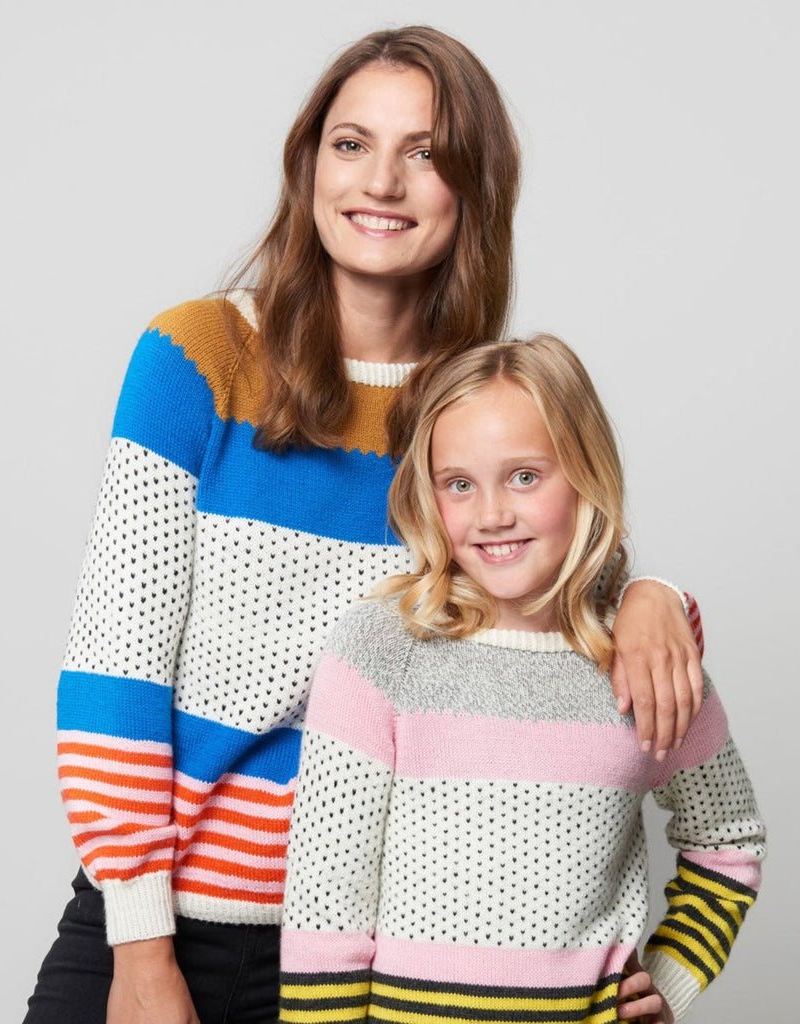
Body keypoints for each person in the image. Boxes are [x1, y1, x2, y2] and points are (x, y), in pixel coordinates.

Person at [25, 25, 705, 1024]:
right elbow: (113, 673)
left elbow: (568, 590)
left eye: (423, 153)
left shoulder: (475, 406)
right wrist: (141, 947)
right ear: (309, 166)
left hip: (378, 961)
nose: (380, 181)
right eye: (352, 144)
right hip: (161, 923)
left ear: (473, 190)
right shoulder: (198, 356)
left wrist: (650, 596)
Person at [279, 336, 765, 1024]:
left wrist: (670, 981)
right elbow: (326, 903)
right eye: (459, 484)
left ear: (586, 473)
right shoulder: (383, 649)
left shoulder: (643, 665)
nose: (491, 515)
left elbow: (728, 840)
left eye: (525, 477)